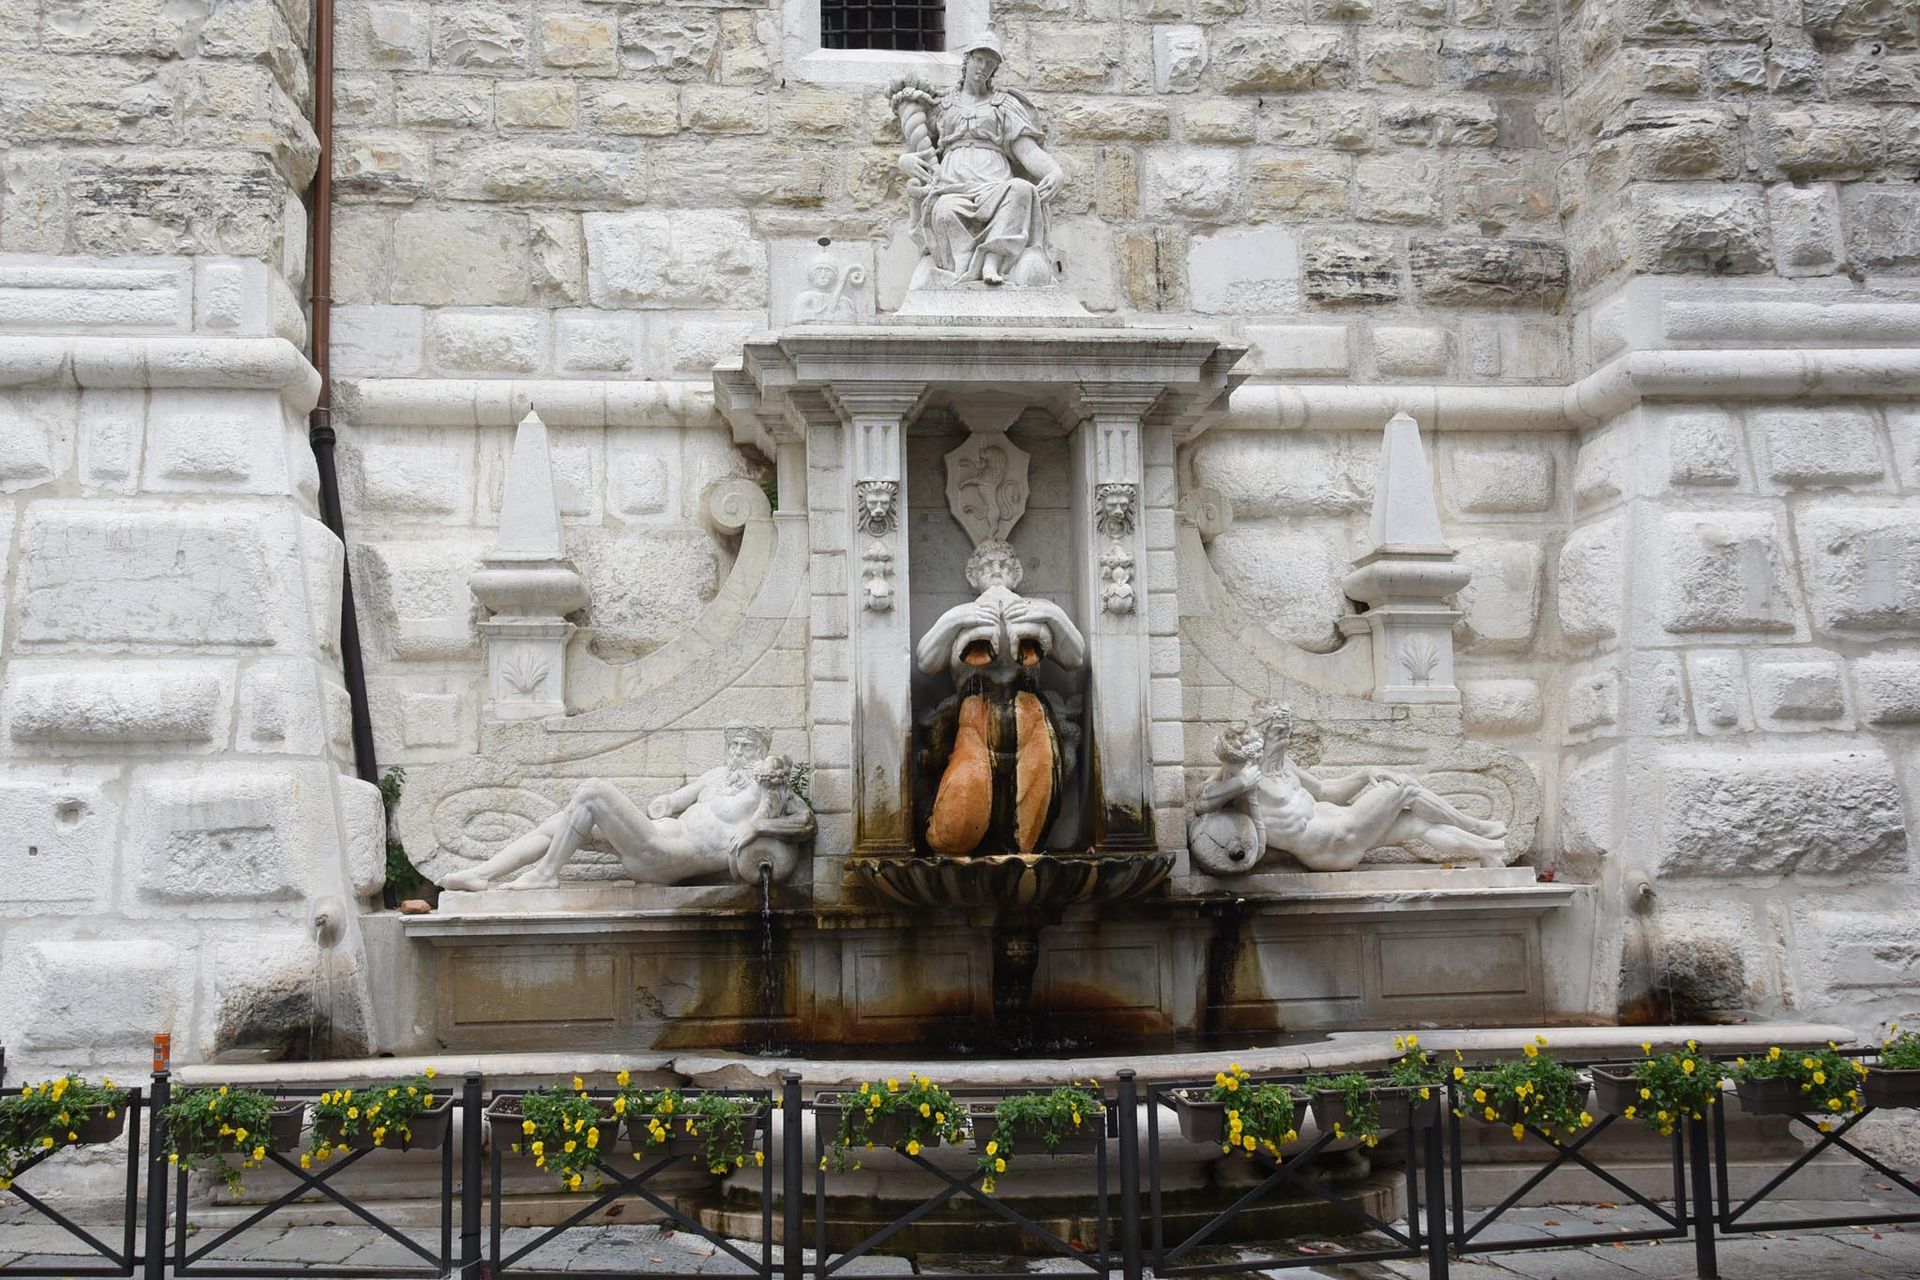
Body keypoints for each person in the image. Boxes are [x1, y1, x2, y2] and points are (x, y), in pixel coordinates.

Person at [439, 723, 813, 889]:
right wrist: (664, 802)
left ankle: (546, 875)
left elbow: (806, 823)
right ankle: (483, 874)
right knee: (563, 821)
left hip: (667, 856)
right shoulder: (715, 775)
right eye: (734, 745)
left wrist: (758, 828)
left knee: (593, 791)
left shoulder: (767, 791)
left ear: (762, 752)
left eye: (747, 747)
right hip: (659, 836)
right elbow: (673, 802)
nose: (738, 752)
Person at [1187, 702, 1510, 874]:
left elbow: (1326, 792)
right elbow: (1202, 802)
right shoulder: (1243, 777)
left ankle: (1490, 851)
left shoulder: (1284, 767)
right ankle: (1476, 826)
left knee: (1418, 823)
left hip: (1341, 830)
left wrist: (1364, 773)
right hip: (1333, 843)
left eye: (1288, 732)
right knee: (1404, 789)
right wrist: (1239, 783)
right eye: (1279, 733)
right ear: (1261, 736)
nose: (1286, 739)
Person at [915, 540, 1085, 854]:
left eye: (1004, 566)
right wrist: (956, 618)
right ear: (971, 575)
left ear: (1016, 573)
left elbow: (1074, 658)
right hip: (974, 717)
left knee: (1036, 803)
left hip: (1031, 715)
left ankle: (1025, 852)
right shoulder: (965, 616)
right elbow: (925, 662)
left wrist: (1053, 614)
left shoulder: (1033, 612)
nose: (996, 572)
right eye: (987, 567)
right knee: (966, 797)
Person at [896, 32, 1064, 287]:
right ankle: (962, 270)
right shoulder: (945, 106)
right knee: (943, 210)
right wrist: (904, 161)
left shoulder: (1003, 105)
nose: (983, 68)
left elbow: (1027, 151)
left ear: (995, 70)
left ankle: (992, 259)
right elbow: (921, 146)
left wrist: (1054, 172)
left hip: (994, 181)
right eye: (979, 59)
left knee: (1021, 189)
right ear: (967, 60)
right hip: (952, 184)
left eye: (990, 64)